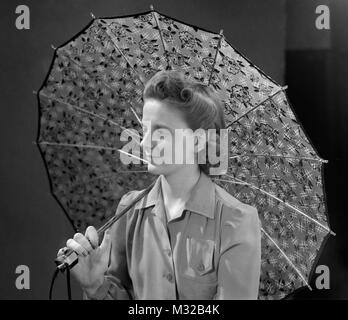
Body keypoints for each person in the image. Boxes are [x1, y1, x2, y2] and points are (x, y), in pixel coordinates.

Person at [58, 70, 261, 299]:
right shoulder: (129, 211)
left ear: (198, 140)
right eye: (144, 130)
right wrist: (96, 286)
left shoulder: (235, 220)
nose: (145, 143)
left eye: (160, 133)